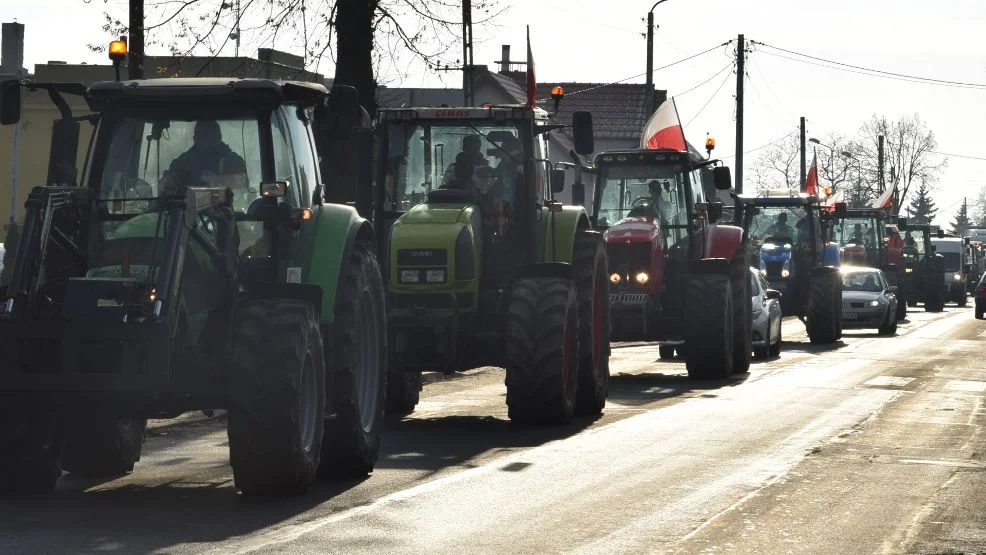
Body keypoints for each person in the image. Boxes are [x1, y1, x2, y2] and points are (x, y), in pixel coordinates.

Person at [160, 120, 248, 196]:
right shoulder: (182, 162)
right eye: (202, 136)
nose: (206, 140)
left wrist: (211, 178)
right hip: (186, 211)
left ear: (219, 137)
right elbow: (165, 188)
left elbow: (242, 187)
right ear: (195, 138)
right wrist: (172, 181)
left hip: (221, 212)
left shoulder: (233, 161)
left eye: (210, 136)